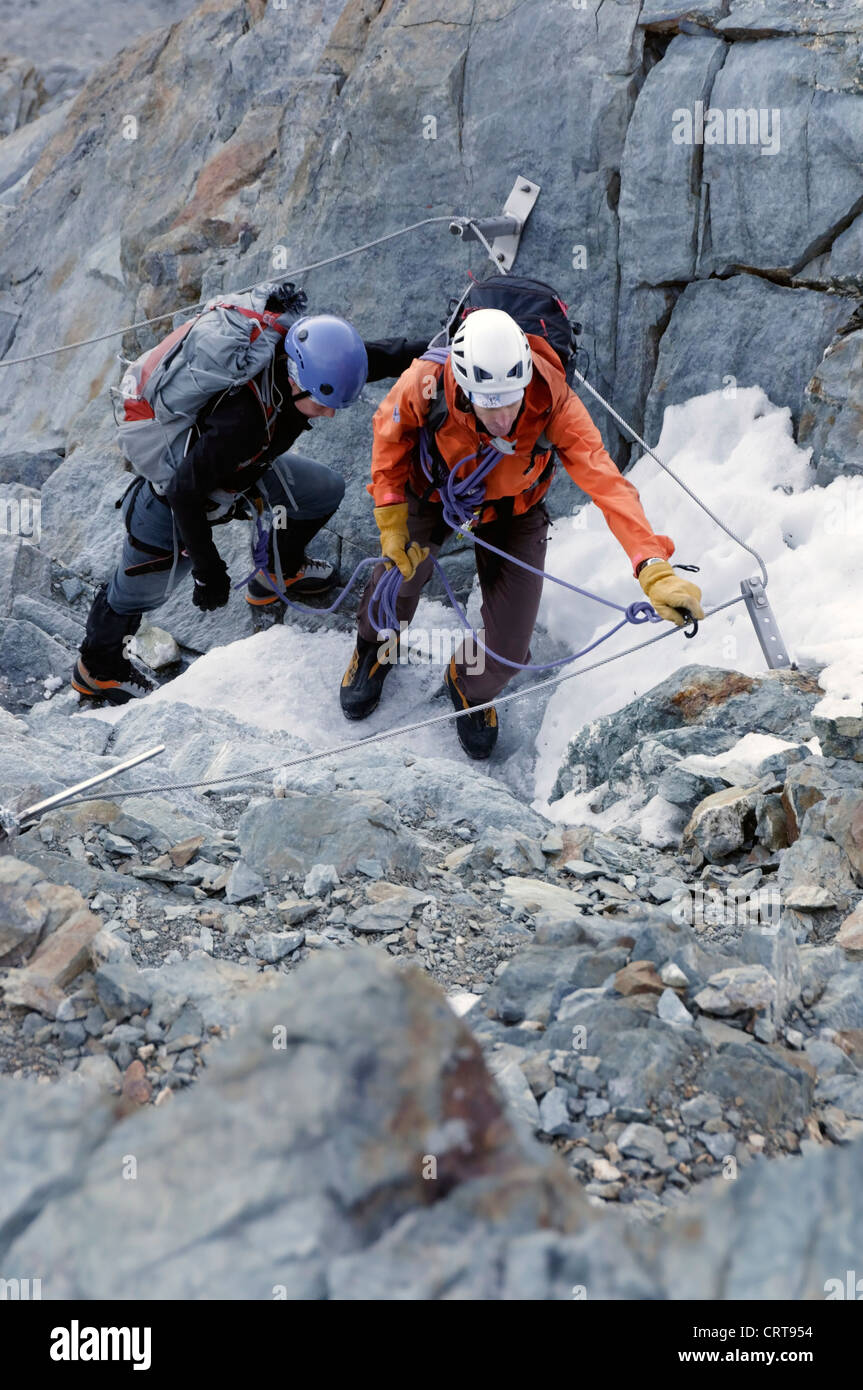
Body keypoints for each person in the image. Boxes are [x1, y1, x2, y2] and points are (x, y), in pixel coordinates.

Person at [340, 307, 705, 759]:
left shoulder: (554, 400)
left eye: (511, 403)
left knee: (510, 648)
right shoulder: (427, 382)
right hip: (432, 494)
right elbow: (389, 431)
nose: (503, 420)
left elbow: (607, 482)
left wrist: (651, 565)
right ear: (465, 387)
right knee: (397, 583)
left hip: (516, 510)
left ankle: (469, 684)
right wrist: (391, 516)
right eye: (490, 407)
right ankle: (374, 647)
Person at [72, 291, 427, 704]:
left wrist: (441, 351)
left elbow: (375, 358)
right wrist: (209, 570)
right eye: (323, 404)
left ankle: (280, 571)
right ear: (295, 379)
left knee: (322, 491)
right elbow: (183, 491)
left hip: (243, 475)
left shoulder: (308, 360)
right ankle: (96, 668)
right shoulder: (243, 420)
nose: (330, 413)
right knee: (134, 592)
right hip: (174, 501)